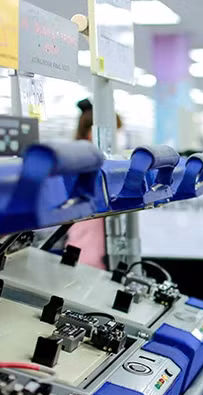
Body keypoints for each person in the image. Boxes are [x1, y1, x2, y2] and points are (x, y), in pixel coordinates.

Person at [66, 99, 122, 270]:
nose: (117, 139)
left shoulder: (80, 160)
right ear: (94, 134)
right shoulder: (87, 165)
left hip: (84, 250)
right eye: (115, 133)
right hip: (88, 256)